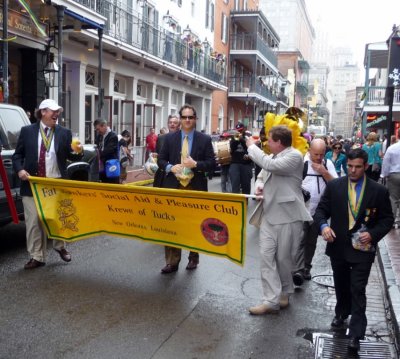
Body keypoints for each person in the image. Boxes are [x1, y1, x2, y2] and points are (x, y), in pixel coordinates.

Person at [313, 148, 393, 353]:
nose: (353, 170)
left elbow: (387, 220)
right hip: (338, 245)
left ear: (365, 167)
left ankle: (356, 334)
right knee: (341, 284)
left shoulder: (378, 191)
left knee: (358, 288)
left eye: (358, 167)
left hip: (362, 249)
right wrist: (324, 227)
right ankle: (341, 312)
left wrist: (373, 234)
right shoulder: (335, 186)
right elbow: (321, 211)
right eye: (349, 166)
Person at [245, 125, 312, 314]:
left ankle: (286, 292)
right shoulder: (273, 157)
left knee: (283, 259)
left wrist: (252, 146)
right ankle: (270, 300)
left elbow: (269, 166)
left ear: (279, 143)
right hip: (268, 215)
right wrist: (259, 186)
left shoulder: (294, 156)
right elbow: (261, 175)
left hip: (288, 217)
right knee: (266, 257)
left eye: (270, 140)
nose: (266, 143)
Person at [12, 99, 83, 269]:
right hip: (32, 184)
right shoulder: (27, 131)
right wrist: (20, 170)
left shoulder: (64, 133)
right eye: (53, 111)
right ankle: (37, 256)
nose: (57, 114)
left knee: (58, 217)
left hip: (56, 183)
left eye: (58, 111)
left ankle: (60, 247)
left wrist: (78, 152)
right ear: (43, 112)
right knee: (34, 221)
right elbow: (17, 156)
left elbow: (70, 157)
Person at [157, 104, 216, 274]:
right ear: (180, 119)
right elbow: (160, 160)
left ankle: (193, 257)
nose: (187, 120)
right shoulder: (169, 139)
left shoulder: (204, 140)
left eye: (190, 117)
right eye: (184, 117)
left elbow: (212, 164)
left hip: (194, 187)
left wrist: (196, 164)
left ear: (195, 119)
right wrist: (169, 167)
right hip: (173, 187)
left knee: (193, 225)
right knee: (171, 224)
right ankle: (172, 261)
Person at [293, 139, 338, 283]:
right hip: (301, 209)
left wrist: (324, 172)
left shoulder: (327, 164)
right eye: (316, 154)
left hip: (318, 212)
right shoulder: (301, 163)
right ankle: (298, 270)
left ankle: (306, 267)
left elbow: (336, 186)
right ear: (309, 151)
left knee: (311, 242)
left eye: (322, 154)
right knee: (300, 239)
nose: (319, 157)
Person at [153, 114, 180, 188]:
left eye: (175, 123)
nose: (172, 124)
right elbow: (157, 154)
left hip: (176, 177)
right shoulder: (161, 138)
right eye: (170, 122)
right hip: (161, 176)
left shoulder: (183, 138)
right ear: (167, 124)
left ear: (179, 125)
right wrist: (154, 156)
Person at [381, 128, 400, 227]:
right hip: (394, 174)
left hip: (394, 175)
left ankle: (392, 221)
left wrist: (385, 174)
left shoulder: (392, 148)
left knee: (393, 198)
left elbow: (386, 162)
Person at [229, 122, 253, 195]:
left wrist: (242, 140)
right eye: (238, 130)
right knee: (235, 184)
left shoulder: (248, 138)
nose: (239, 132)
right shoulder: (233, 138)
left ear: (244, 129)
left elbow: (250, 149)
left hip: (246, 164)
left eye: (241, 130)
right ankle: (236, 203)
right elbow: (231, 150)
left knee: (246, 185)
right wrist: (236, 140)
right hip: (235, 163)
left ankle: (245, 202)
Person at [94, 118, 119, 184]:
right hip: (102, 166)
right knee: (103, 184)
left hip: (111, 165)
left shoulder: (113, 136)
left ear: (104, 126)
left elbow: (109, 150)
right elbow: (97, 147)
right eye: (96, 130)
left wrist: (97, 154)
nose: (98, 131)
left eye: (98, 129)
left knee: (112, 185)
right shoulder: (99, 136)